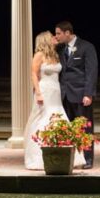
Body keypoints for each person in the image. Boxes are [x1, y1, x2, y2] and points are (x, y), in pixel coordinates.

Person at [23, 31, 86, 171]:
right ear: (45, 40)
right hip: (44, 91)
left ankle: (68, 155)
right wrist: (38, 93)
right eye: (52, 36)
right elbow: (33, 73)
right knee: (42, 120)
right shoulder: (39, 55)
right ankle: (37, 158)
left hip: (56, 92)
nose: (54, 38)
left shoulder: (55, 55)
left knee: (58, 118)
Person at [54, 21, 97, 169]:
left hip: (80, 95)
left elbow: (91, 72)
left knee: (85, 128)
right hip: (65, 95)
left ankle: (88, 158)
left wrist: (88, 94)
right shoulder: (60, 49)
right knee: (68, 128)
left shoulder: (87, 47)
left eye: (58, 33)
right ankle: (73, 158)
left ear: (68, 33)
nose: (56, 36)